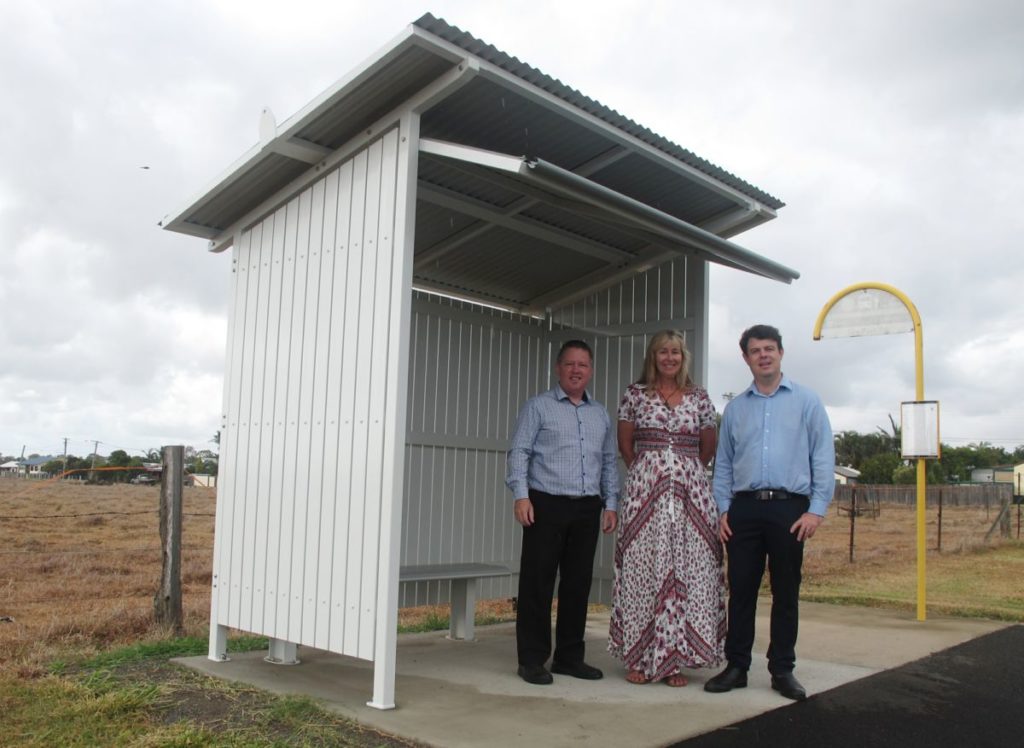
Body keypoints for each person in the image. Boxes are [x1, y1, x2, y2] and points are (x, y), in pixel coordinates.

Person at [704, 324, 834, 701]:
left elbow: (823, 458)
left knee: (785, 592)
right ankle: (737, 666)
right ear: (745, 358)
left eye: (770, 348)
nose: (764, 355)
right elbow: (724, 464)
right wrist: (723, 509)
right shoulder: (735, 408)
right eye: (756, 350)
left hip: (789, 510)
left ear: (781, 353)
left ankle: (782, 670)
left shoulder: (807, 402)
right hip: (743, 511)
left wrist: (816, 511)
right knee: (740, 590)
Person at [608, 330, 724, 687]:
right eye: (663, 352)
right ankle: (640, 658)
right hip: (645, 493)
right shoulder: (635, 394)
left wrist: (682, 472)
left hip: (692, 495)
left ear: (683, 356)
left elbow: (708, 447)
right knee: (643, 569)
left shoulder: (700, 397)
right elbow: (626, 444)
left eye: (675, 352)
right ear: (653, 356)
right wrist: (652, 471)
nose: (669, 358)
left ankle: (676, 661)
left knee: (689, 571)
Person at [506, 340, 619, 685]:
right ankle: (532, 659)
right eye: (569, 364)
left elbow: (609, 461)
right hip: (546, 504)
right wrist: (521, 496)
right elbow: (519, 452)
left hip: (587, 507)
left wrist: (611, 502)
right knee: (537, 583)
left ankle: (569, 657)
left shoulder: (599, 413)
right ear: (558, 368)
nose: (575, 370)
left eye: (582, 364)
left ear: (591, 371)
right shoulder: (538, 407)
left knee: (577, 585)